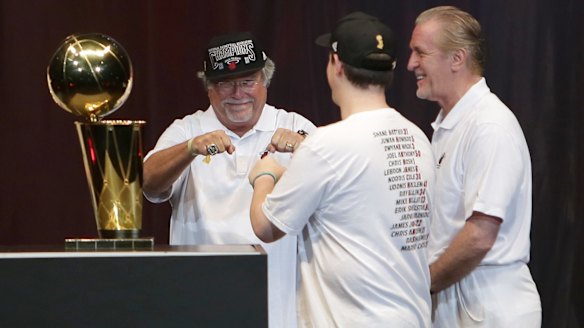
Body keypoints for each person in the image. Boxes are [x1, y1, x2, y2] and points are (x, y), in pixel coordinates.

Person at [248, 12, 435, 327]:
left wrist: (264, 176)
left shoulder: (326, 144)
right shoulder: (417, 136)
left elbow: (266, 227)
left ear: (336, 64)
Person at [142, 31, 316, 328]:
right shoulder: (188, 129)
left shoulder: (294, 126)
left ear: (265, 82)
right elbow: (148, 182)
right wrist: (190, 149)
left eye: (248, 82)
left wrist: (305, 147)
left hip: (278, 308)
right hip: (200, 305)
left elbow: (338, 192)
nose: (238, 94)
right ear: (209, 88)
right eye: (225, 84)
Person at [407, 6, 542, 327]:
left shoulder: (489, 126)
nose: (411, 64)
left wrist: (421, 285)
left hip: (489, 306)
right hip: (456, 298)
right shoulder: (449, 126)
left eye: (420, 53)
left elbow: (480, 236)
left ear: (457, 59)